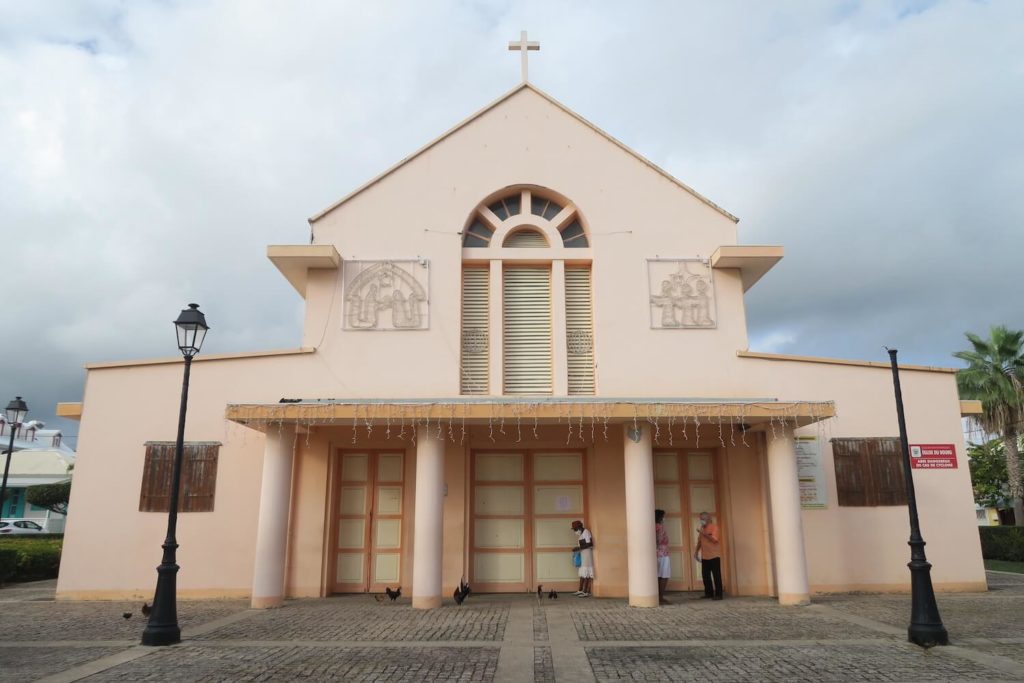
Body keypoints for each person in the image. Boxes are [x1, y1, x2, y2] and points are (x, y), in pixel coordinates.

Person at [694, 511, 723, 600]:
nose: (701, 521)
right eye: (700, 519)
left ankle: (718, 595)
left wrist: (703, 533)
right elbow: (700, 541)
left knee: (716, 575)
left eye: (703, 519)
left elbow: (714, 540)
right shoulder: (702, 528)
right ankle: (708, 593)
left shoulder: (714, 527)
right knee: (705, 575)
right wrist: (696, 552)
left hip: (714, 555)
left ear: (708, 519)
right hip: (705, 556)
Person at [571, 520, 594, 597]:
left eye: (575, 529)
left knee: (586, 573)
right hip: (583, 554)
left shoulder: (586, 532)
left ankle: (586, 591)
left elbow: (590, 544)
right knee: (582, 573)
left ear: (579, 527)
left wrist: (578, 547)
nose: (575, 531)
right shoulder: (581, 533)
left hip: (587, 554)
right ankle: (580, 590)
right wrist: (578, 549)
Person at [655, 509, 671, 605]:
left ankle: (657, 596)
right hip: (663, 553)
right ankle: (660, 597)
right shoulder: (660, 527)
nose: (664, 518)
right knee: (664, 575)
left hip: (656, 553)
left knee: (657, 576)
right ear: (660, 517)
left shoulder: (653, 526)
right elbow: (660, 540)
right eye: (663, 516)